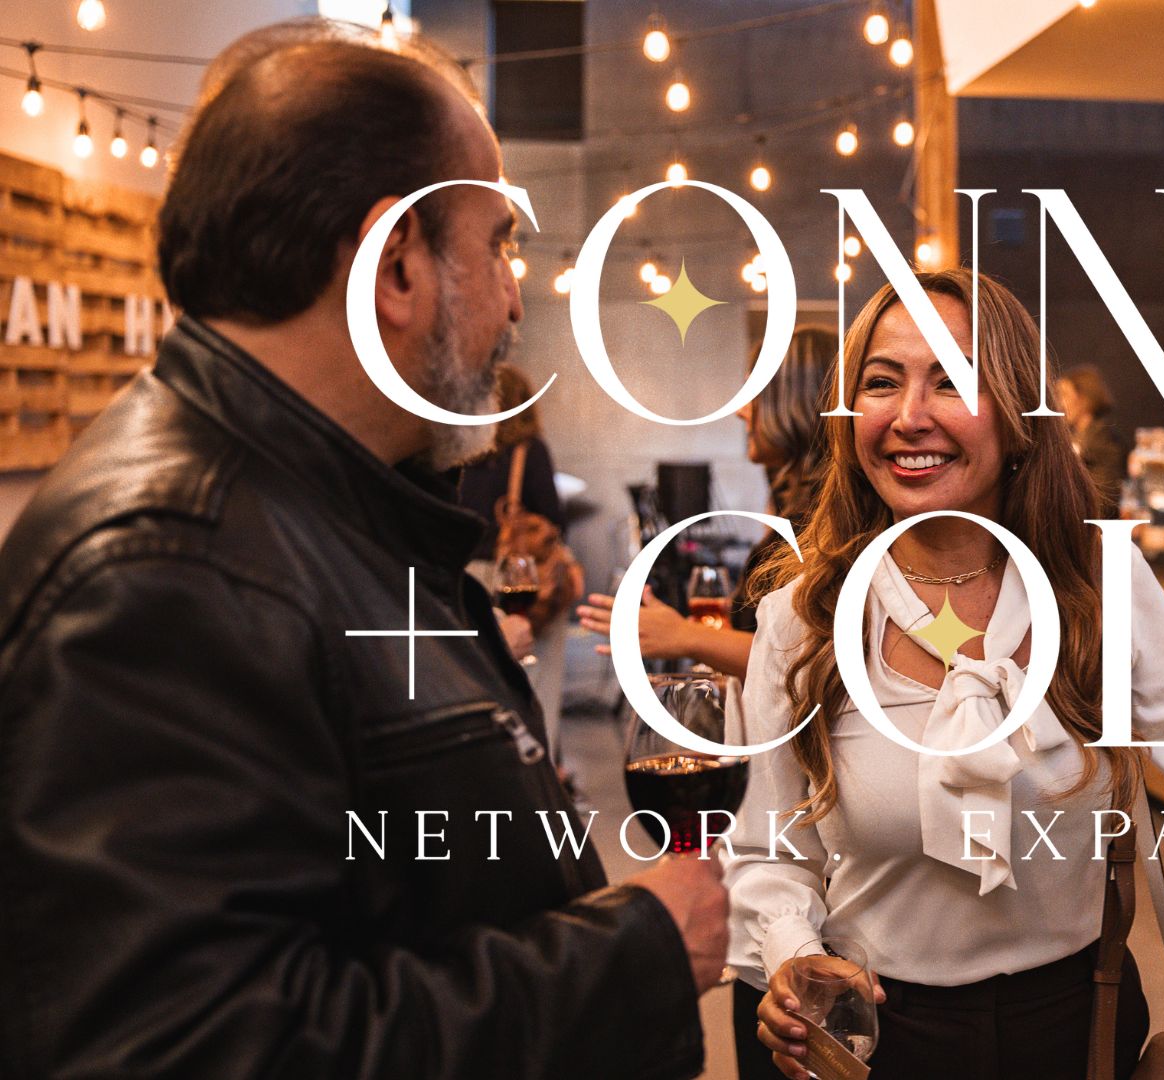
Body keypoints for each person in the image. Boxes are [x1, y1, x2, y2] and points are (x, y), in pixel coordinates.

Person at [0, 30, 729, 1079]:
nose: (514, 299)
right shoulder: (166, 570)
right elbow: (199, 1049)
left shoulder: (324, 506)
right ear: (396, 268)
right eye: (498, 246)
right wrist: (628, 961)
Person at [727, 271, 1164, 1080]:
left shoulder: (1098, 583)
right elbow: (768, 849)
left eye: (952, 381)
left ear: (1019, 416)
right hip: (882, 1039)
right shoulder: (803, 618)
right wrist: (792, 954)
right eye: (881, 383)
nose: (909, 415)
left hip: (1078, 1030)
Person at [576, 326, 839, 676]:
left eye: (755, 394)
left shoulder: (833, 521)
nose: (741, 411)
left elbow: (811, 661)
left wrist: (687, 637)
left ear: (797, 401)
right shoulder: (798, 506)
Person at [460, 363, 572, 741]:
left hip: (465, 576)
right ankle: (539, 755)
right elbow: (554, 520)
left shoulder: (461, 451)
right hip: (518, 575)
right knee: (537, 676)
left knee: (483, 678)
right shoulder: (529, 451)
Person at [1057, 362, 1127, 512]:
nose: (1059, 404)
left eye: (1064, 395)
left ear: (1084, 399)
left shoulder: (1103, 441)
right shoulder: (1076, 437)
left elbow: (1105, 500)